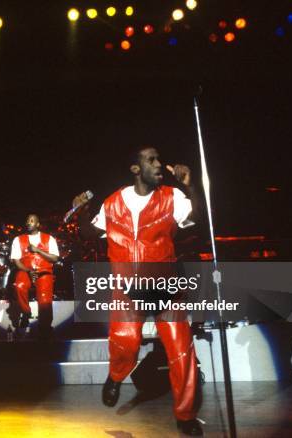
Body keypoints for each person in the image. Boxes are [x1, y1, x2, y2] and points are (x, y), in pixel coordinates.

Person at [73, 146, 203, 436]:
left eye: (159, 159)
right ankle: (117, 376)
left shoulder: (172, 196)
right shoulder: (113, 202)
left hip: (166, 287)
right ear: (135, 168)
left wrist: (189, 186)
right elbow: (89, 234)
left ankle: (186, 416)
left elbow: (198, 219)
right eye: (152, 160)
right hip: (127, 289)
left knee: (181, 352)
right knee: (124, 343)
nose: (160, 164)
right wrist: (81, 212)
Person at [10, 214, 59, 339]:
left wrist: (38, 250)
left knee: (44, 299)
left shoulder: (49, 239)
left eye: (32, 221)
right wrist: (27, 270)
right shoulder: (18, 239)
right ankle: (26, 313)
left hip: (44, 272)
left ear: (38, 224)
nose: (28, 223)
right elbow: (16, 261)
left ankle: (45, 326)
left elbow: (54, 258)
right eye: (27, 221)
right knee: (19, 285)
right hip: (26, 270)